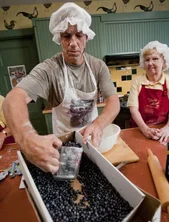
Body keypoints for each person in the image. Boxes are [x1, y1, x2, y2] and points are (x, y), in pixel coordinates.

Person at [3, 3, 120, 173]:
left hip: (92, 141)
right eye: (67, 36)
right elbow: (12, 99)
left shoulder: (98, 66)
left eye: (78, 35)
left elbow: (113, 101)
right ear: (60, 39)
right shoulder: (50, 69)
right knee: (69, 185)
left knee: (97, 180)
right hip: (65, 146)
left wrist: (98, 124)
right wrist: (27, 138)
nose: (73, 43)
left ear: (86, 37)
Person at [127, 41, 169, 143]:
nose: (150, 63)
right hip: (140, 129)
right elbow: (134, 110)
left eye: (155, 59)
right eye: (147, 60)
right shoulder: (137, 82)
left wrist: (167, 129)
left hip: (163, 131)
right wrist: (145, 129)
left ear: (164, 62)